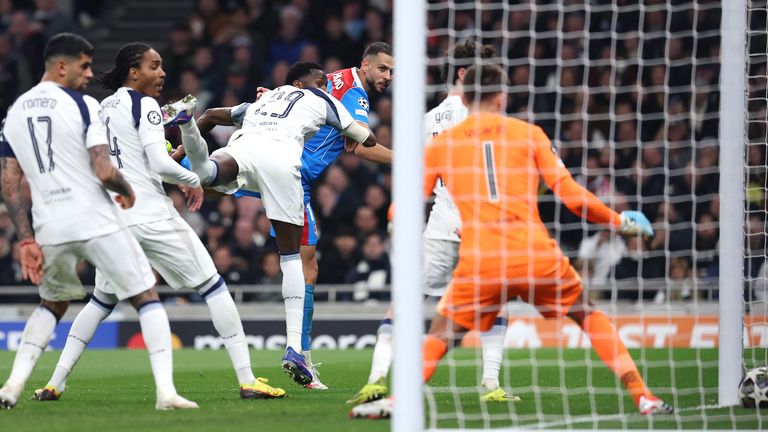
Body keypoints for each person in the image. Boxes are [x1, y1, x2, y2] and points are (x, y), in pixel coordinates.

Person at [351, 64, 674, 419]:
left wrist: (395, 222)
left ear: (464, 98)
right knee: (587, 313)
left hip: (482, 261)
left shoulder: (443, 145)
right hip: (534, 254)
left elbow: (408, 201)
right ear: (502, 98)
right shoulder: (529, 134)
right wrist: (620, 222)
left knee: (442, 334)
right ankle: (643, 396)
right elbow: (572, 197)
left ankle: (397, 403)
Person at [32, 42, 286, 403]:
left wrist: (175, 142)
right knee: (213, 286)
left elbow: (113, 162)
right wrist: (191, 180)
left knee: (101, 301)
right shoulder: (145, 105)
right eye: (154, 66)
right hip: (151, 214)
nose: (162, 73)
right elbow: (159, 162)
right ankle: (247, 380)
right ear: (133, 72)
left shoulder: (103, 109)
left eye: (162, 65)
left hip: (115, 219)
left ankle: (54, 383)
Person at [0, 33, 196, 410]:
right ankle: (166, 393)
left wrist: (25, 239)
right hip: (94, 218)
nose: (91, 74)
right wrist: (127, 190)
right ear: (62, 66)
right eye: (85, 66)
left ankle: (13, 384)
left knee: (52, 304)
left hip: (50, 226)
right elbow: (104, 169)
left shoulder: (15, 111)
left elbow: (9, 181)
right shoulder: (83, 105)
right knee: (146, 296)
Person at [164, 61, 377, 386]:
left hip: (243, 150)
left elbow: (213, 115)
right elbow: (367, 139)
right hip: (281, 164)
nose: (325, 86)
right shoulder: (324, 100)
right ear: (309, 83)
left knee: (207, 174)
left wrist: (180, 152)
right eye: (321, 82)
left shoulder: (265, 99)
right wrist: (351, 132)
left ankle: (186, 127)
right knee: (291, 258)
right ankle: (294, 348)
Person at [347, 41, 516, 405]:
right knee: (496, 303)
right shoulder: (480, 114)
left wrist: (398, 213)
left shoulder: (427, 120)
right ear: (463, 73)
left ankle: (376, 379)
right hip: (478, 224)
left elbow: (418, 174)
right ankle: (490, 382)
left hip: (440, 226)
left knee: (404, 304)